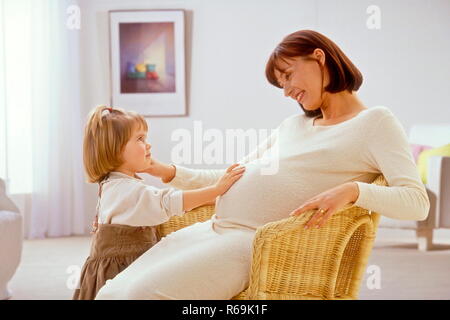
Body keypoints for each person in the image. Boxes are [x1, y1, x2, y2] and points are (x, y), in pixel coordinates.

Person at [95, 30, 430, 300]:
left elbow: (416, 202)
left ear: (318, 57)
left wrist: (353, 190)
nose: (285, 91)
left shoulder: (375, 122)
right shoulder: (293, 127)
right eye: (280, 83)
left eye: (287, 75)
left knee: (140, 295)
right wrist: (164, 171)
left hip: (256, 243)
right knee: (111, 292)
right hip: (212, 230)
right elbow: (229, 176)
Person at [73, 105, 245, 299]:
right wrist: (216, 190)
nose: (148, 145)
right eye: (140, 139)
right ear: (115, 150)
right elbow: (169, 202)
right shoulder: (126, 189)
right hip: (121, 271)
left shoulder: (113, 183)